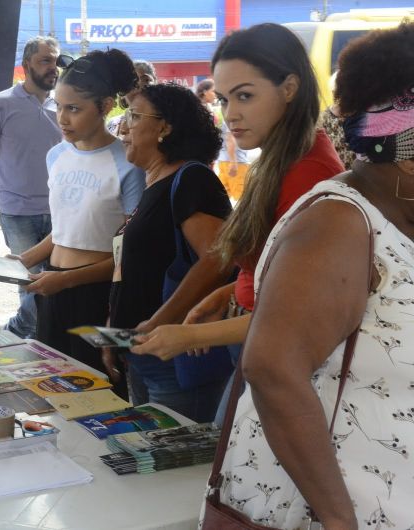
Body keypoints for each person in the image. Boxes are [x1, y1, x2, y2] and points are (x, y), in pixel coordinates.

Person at [212, 22, 414, 528]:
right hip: (330, 510)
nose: (231, 113)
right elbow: (273, 369)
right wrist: (338, 520)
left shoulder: (394, 213)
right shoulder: (340, 223)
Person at [131, 24, 344, 424]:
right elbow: (273, 269)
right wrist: (228, 293)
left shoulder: (307, 173)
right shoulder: (282, 158)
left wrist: (188, 334)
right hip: (256, 342)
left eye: (245, 96)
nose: (231, 114)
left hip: (281, 357)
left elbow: (297, 312)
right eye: (225, 99)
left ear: (290, 88)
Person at [17, 49, 144, 398]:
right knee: (53, 391)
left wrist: (66, 280)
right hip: (52, 287)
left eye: (74, 108)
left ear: (105, 107)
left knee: (100, 393)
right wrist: (23, 259)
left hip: (100, 296)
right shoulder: (56, 155)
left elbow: (128, 254)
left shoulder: (129, 164)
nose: (63, 118)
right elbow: (64, 228)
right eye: (58, 106)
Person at [110, 83, 232, 421]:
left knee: (173, 466)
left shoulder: (191, 179)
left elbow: (217, 259)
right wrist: (115, 332)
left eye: (133, 116)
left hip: (175, 357)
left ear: (164, 127)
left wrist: (159, 321)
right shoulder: (152, 182)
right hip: (142, 352)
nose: (123, 127)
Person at [0, 36, 62, 339]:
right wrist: (2, 178)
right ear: (27, 65)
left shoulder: (63, 107)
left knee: (53, 285)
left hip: (59, 213)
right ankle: (21, 335)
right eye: (45, 60)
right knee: (31, 285)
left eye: (55, 60)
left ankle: (27, 337)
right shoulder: (0, 104)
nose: (53, 67)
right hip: (18, 212)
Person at [106, 59, 156, 136]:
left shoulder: (164, 124)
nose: (139, 87)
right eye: (132, 83)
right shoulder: (112, 125)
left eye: (145, 80)